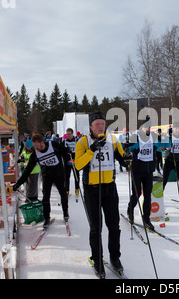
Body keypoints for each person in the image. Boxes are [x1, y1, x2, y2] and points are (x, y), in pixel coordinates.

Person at [74, 111, 128, 277]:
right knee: (96, 228)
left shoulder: (112, 140)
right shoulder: (83, 141)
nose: (100, 127)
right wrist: (91, 150)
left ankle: (115, 258)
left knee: (114, 226)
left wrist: (128, 159)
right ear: (91, 126)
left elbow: (121, 158)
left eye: (103, 124)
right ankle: (97, 260)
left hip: (109, 188)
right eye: (97, 124)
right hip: (92, 189)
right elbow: (78, 165)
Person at [13, 134, 69, 227]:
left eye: (37, 146)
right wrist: (18, 183)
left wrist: (67, 152)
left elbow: (64, 152)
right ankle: (46, 218)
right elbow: (28, 170)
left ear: (42, 142)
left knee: (63, 193)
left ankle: (65, 212)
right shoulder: (35, 154)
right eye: (34, 147)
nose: (36, 149)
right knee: (45, 197)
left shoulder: (53, 145)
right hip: (47, 176)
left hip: (59, 173)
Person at [162, 123, 179, 200]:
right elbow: (163, 148)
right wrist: (167, 147)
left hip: (177, 160)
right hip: (169, 160)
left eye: (177, 128)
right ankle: (158, 196)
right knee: (165, 179)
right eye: (175, 128)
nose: (176, 130)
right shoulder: (169, 136)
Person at [62, 128, 80, 198]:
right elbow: (62, 151)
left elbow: (79, 150)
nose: (68, 136)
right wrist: (66, 155)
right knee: (67, 176)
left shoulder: (76, 141)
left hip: (75, 160)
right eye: (67, 134)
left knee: (76, 175)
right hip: (67, 161)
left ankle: (77, 189)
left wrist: (76, 158)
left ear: (72, 134)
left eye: (69, 134)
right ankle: (67, 190)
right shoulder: (64, 141)